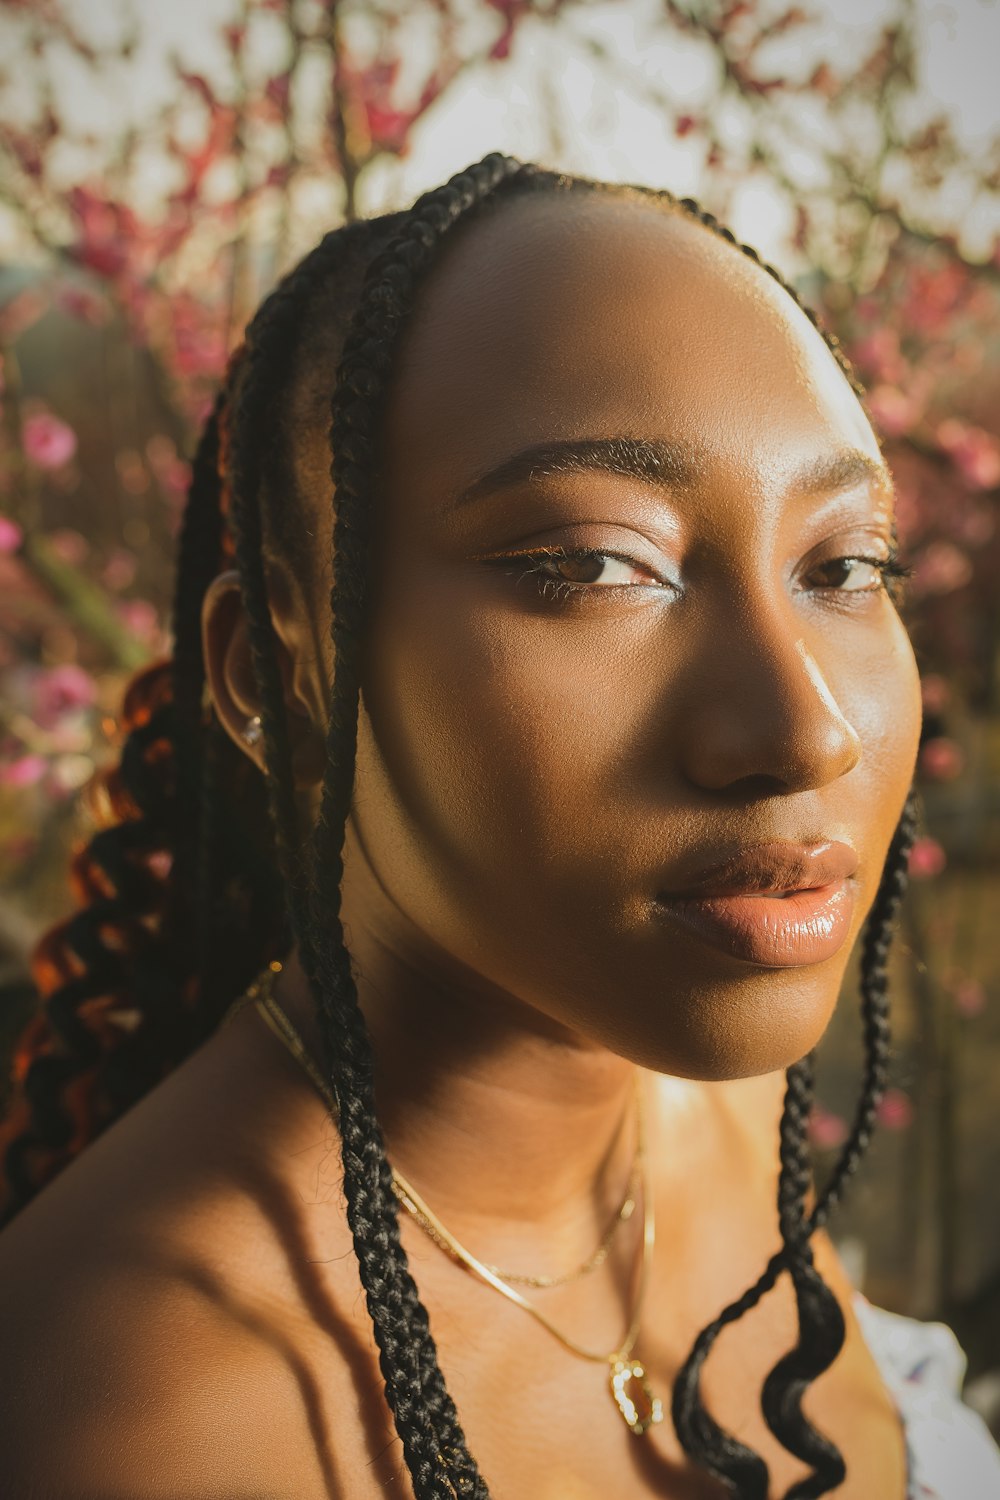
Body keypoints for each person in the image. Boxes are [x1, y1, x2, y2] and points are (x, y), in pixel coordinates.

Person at [0, 154, 996, 1500]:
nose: (808, 730)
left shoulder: (717, 1112)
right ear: (275, 669)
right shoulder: (138, 1425)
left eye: (844, 566)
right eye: (593, 564)